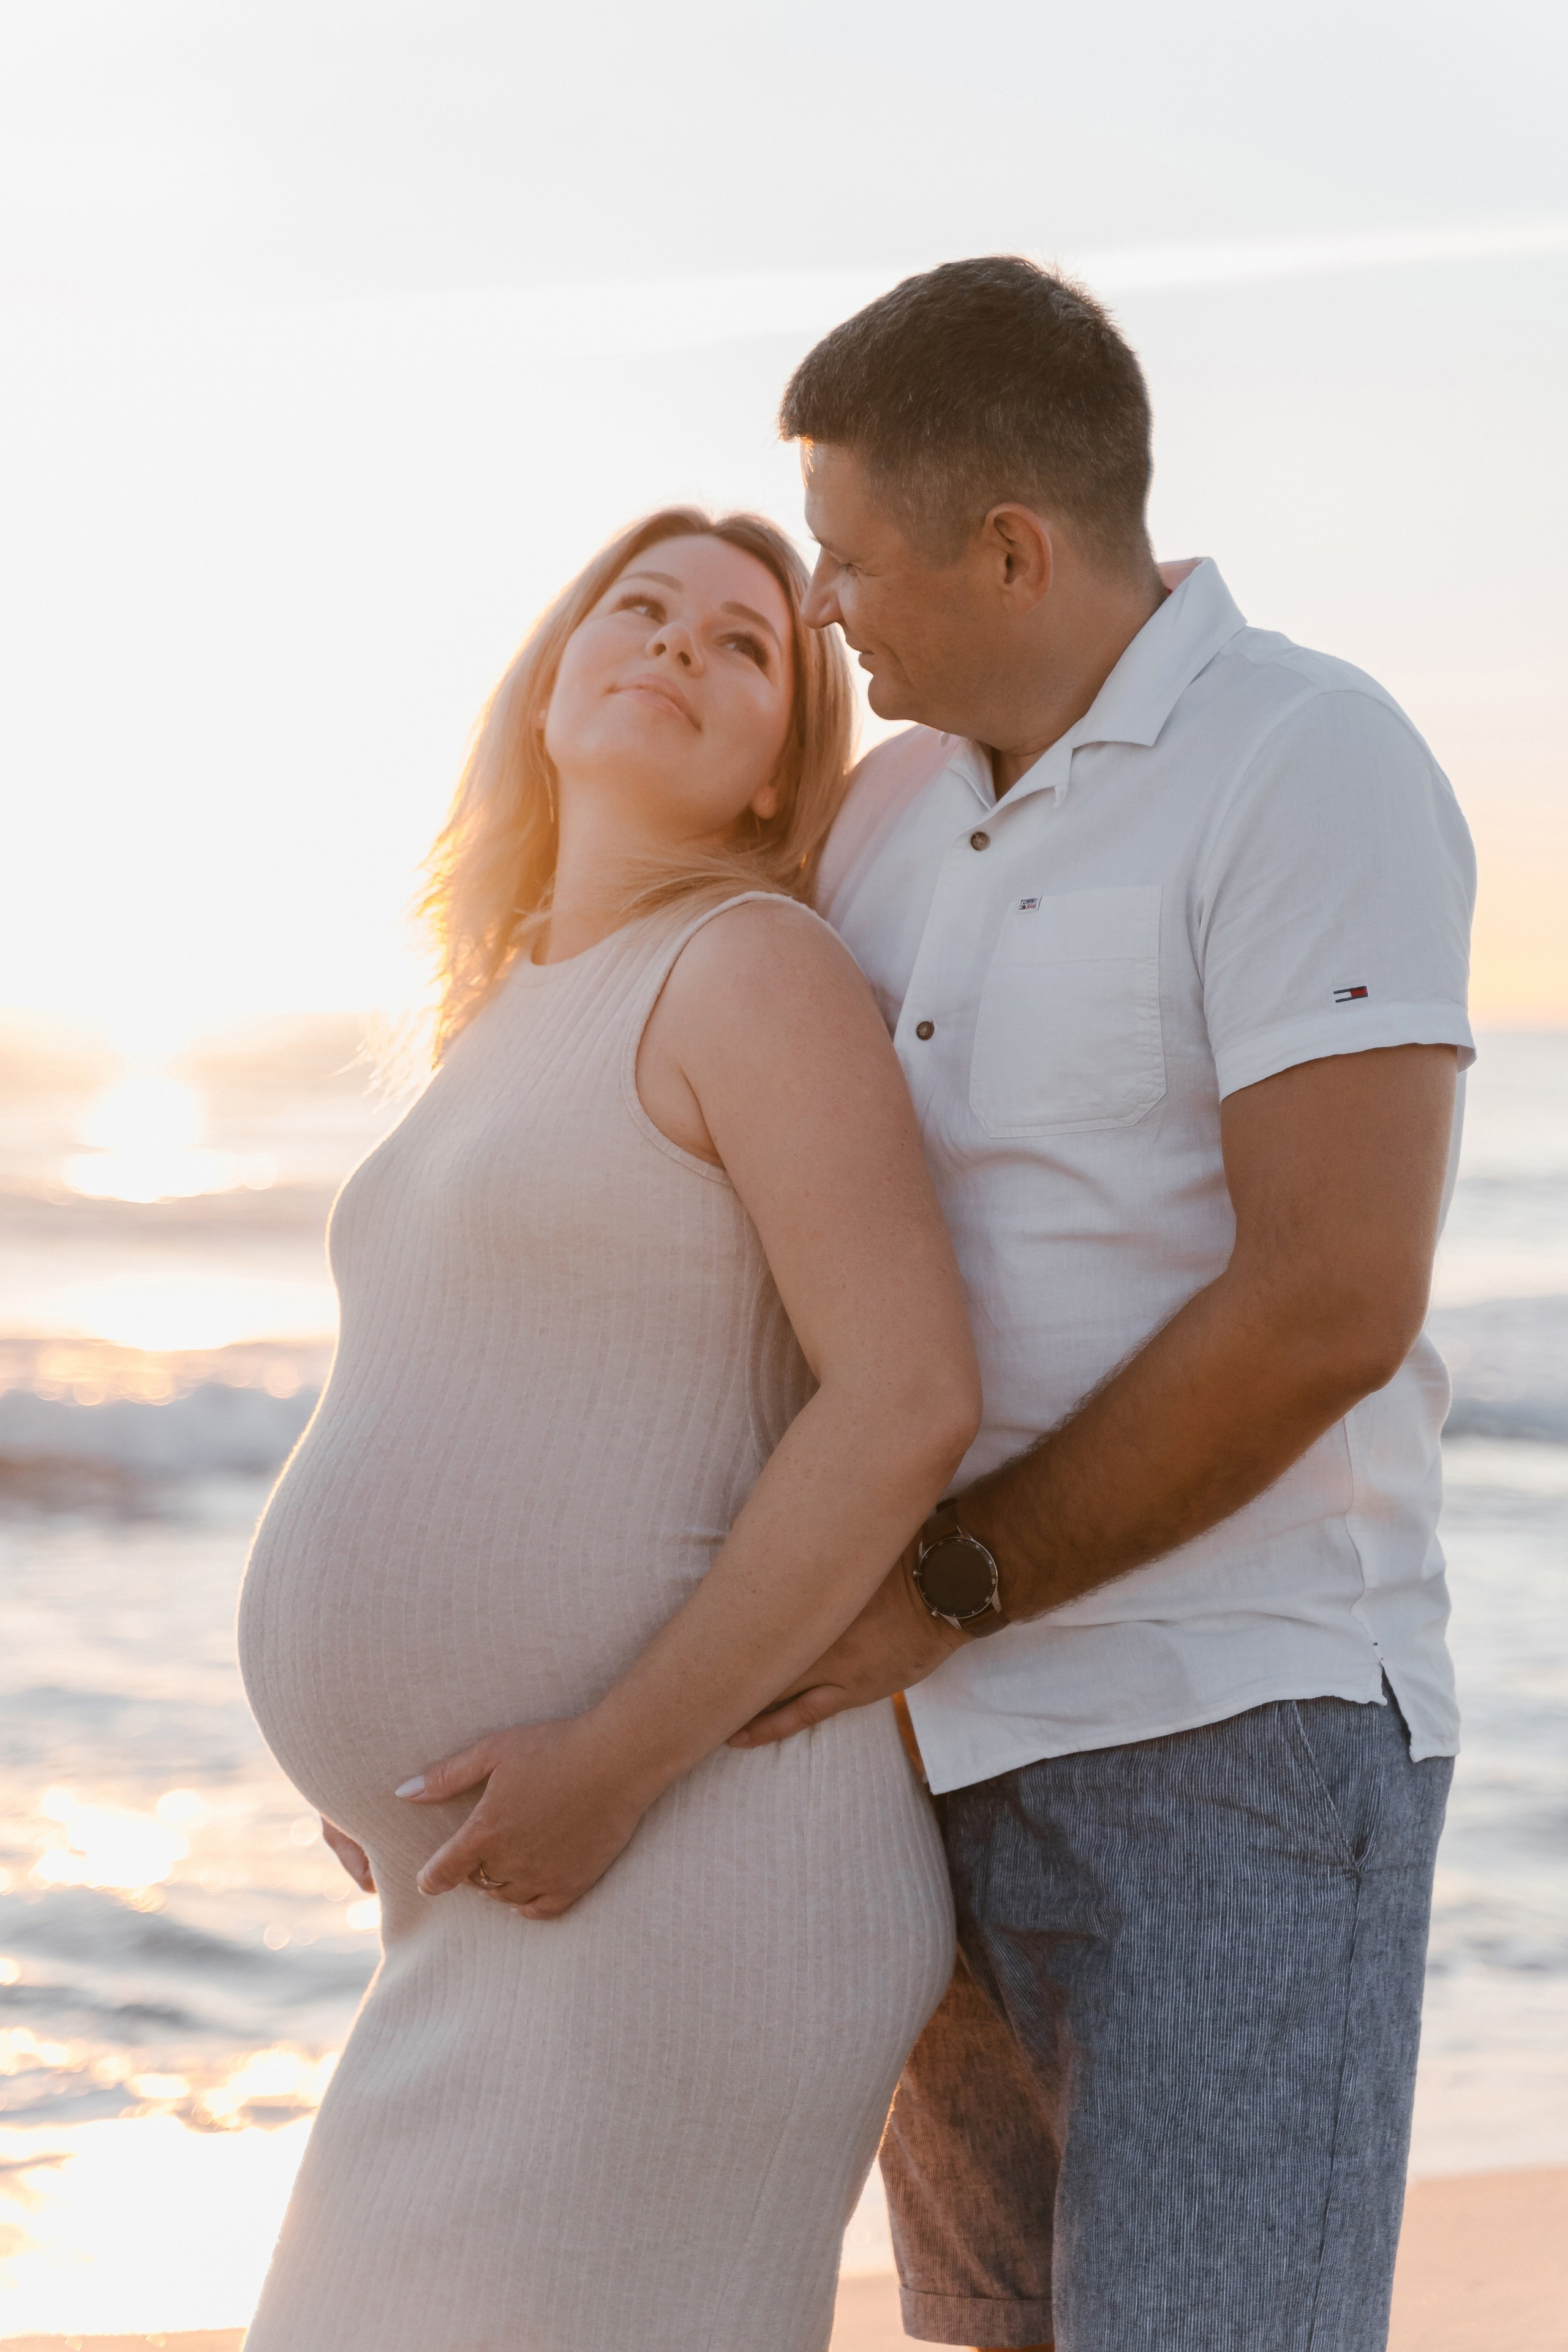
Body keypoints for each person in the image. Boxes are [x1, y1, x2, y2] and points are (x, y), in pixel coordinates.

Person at [733, 259, 1477, 2352]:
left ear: (1010, 546)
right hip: (929, 1764)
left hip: (1231, 1739)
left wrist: (952, 1584)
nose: (822, 603)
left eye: (850, 552)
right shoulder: (884, 816)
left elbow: (1330, 1300)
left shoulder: (1303, 758)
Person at [237, 507, 978, 2352]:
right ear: (551, 683)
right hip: (523, 1884)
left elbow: (908, 1400)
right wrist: (375, 1770)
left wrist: (617, 1764)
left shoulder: (749, 967)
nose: (677, 648)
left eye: (745, 648)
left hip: (689, 1866)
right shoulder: (507, 1011)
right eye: (638, 611)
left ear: (770, 779)